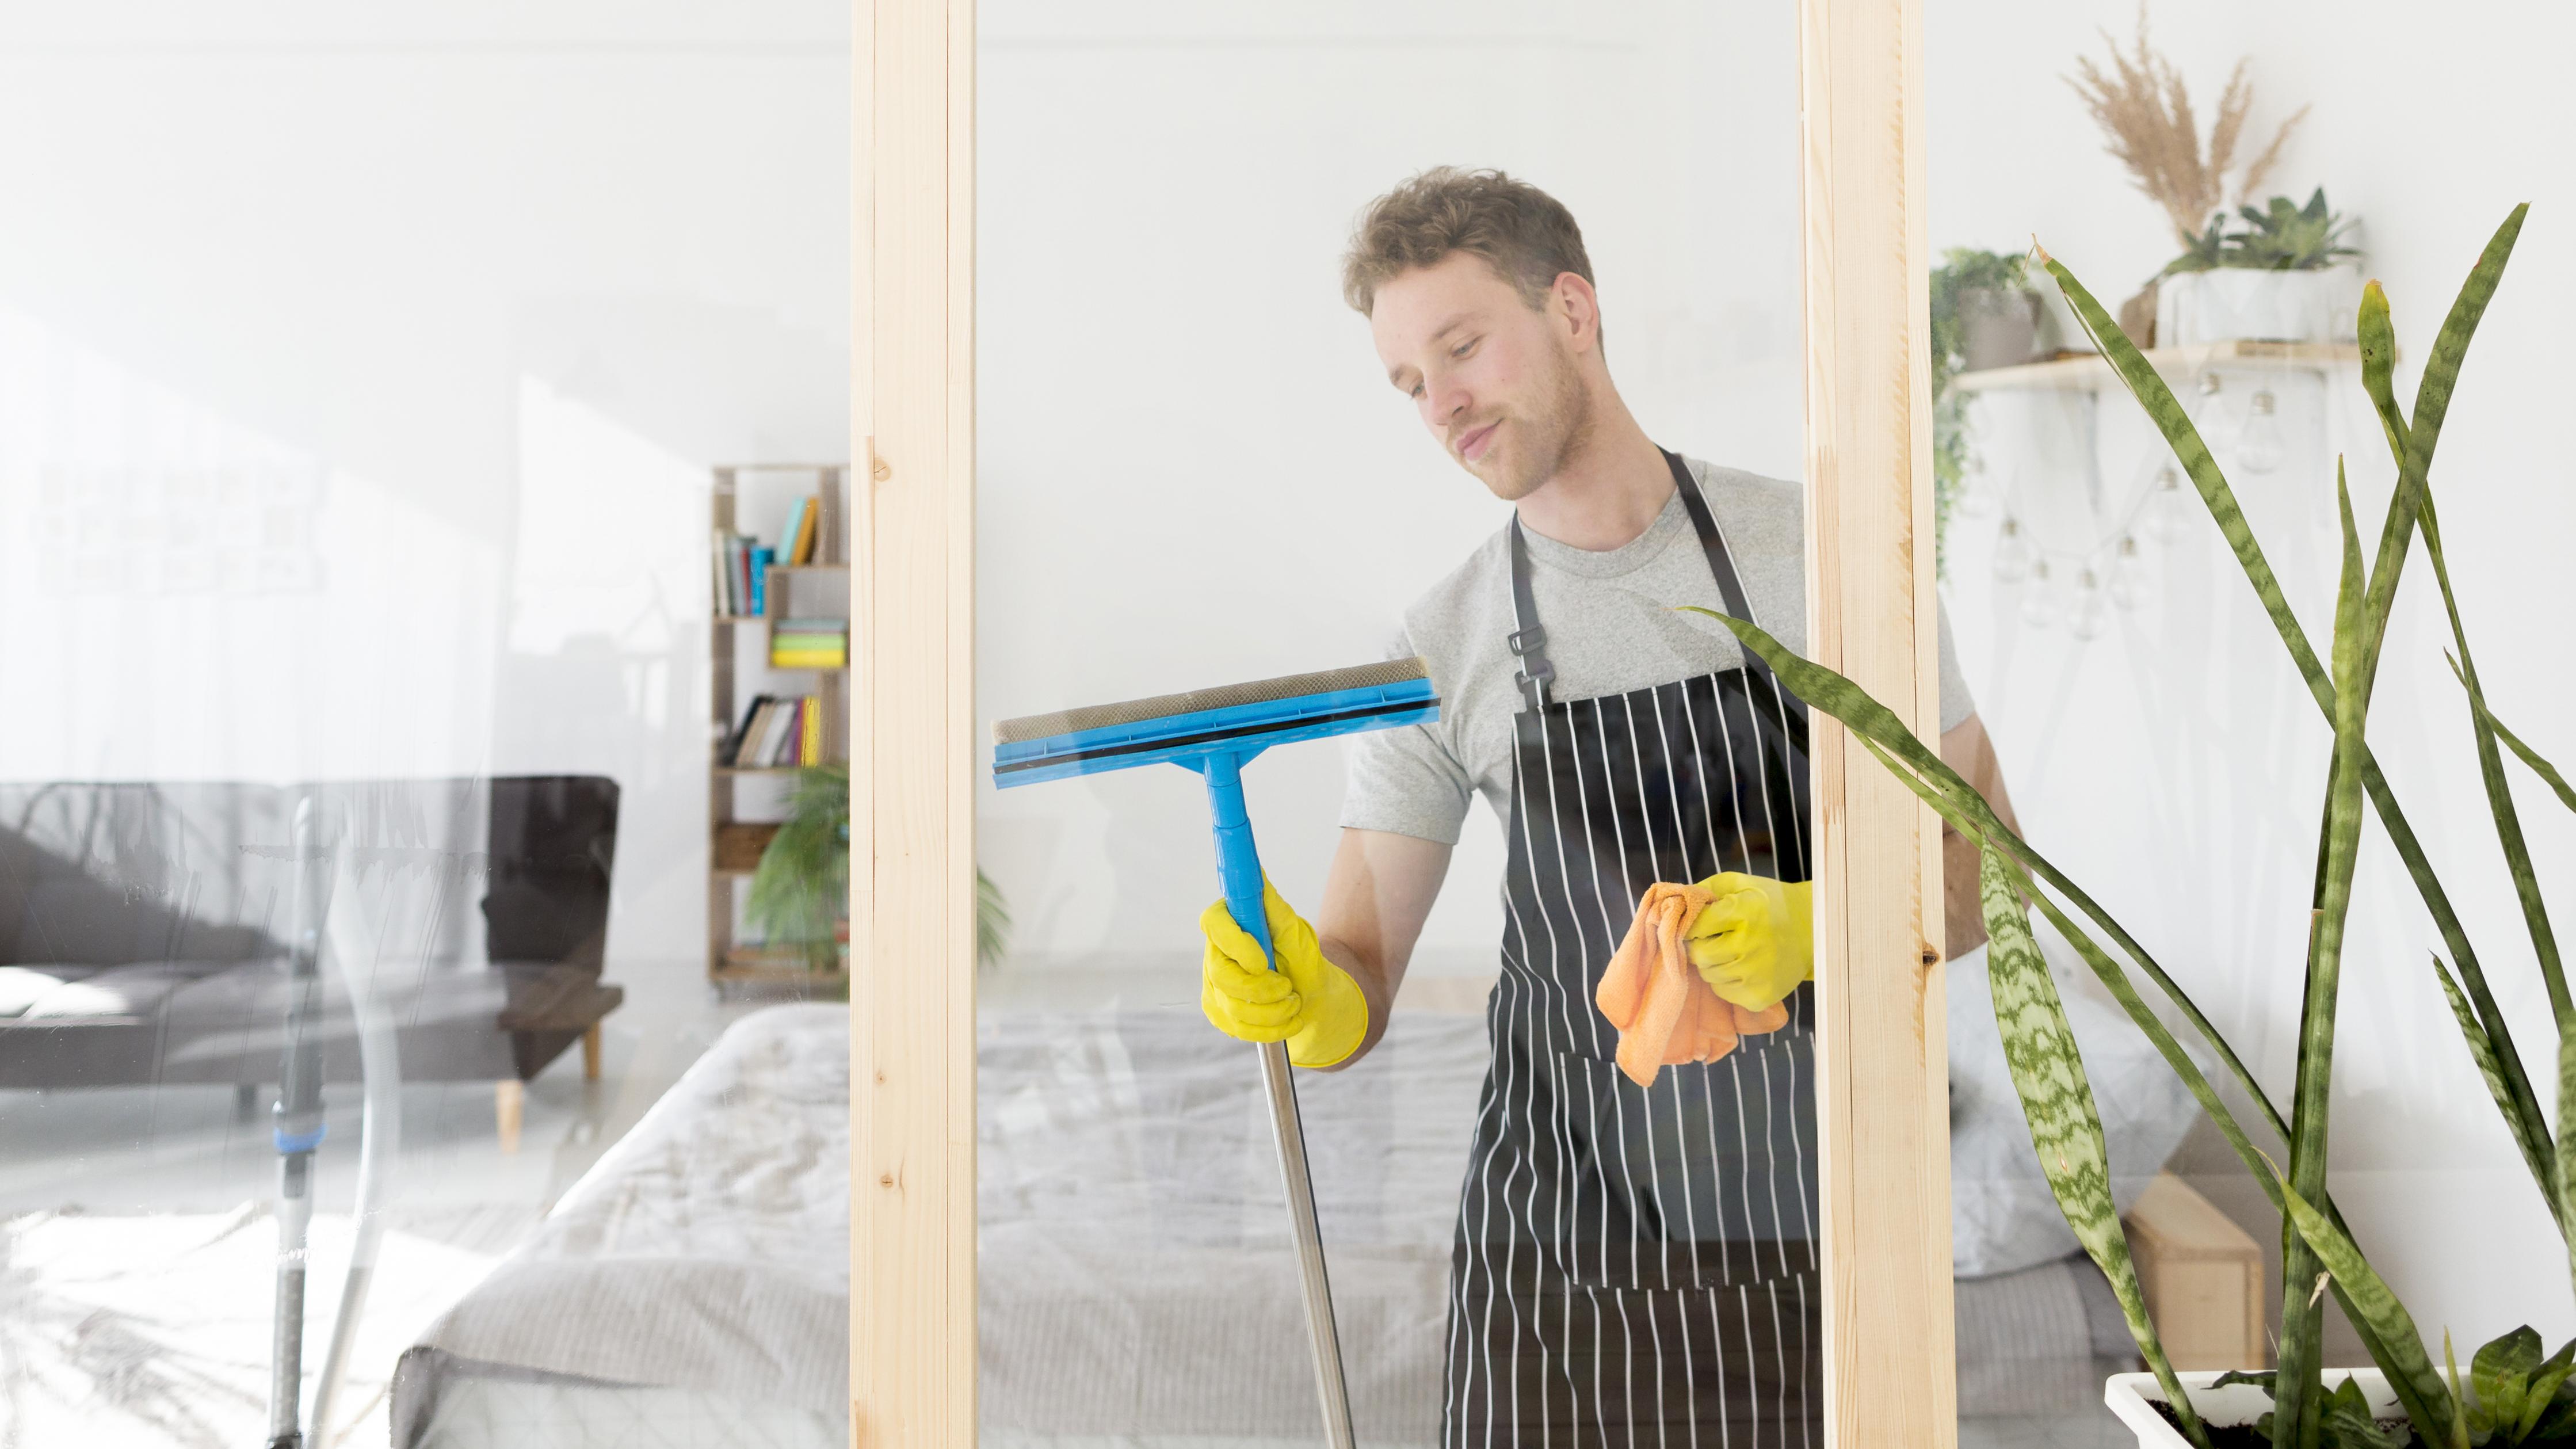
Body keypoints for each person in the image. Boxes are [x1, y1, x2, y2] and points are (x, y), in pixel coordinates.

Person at [1193, 167, 2022, 1447]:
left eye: (1461, 347)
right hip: (1555, 1249)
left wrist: (1831, 923)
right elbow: (1356, 972)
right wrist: (1306, 998)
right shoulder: (1440, 643)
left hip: (1819, 1220)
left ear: (1572, 309)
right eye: (1409, 383)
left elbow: (1994, 872)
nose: (1441, 403)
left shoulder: (1829, 560)